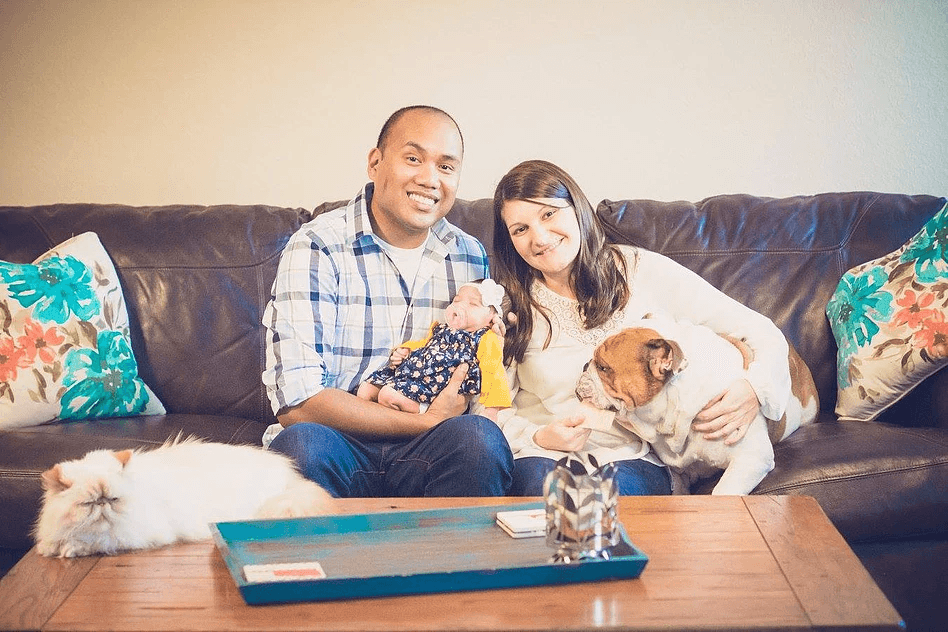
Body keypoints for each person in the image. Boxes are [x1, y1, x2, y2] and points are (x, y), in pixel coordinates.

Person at [491, 160, 793, 495]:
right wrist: (538, 436)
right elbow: (488, 409)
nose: (539, 237)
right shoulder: (509, 307)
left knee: (604, 498)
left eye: (548, 214)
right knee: (549, 492)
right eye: (520, 229)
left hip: (634, 458)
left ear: (576, 209)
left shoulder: (640, 270)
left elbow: (760, 331)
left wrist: (755, 389)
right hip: (541, 455)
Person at [262, 106, 513, 498]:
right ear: (375, 163)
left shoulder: (468, 254)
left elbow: (480, 362)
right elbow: (298, 402)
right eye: (413, 159)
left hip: (431, 447)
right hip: (338, 440)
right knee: (301, 448)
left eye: (446, 167)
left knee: (480, 440)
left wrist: (501, 337)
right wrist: (426, 421)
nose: (430, 179)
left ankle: (454, 543)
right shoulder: (318, 245)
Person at [357, 278, 512, 422]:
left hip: (435, 388)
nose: (460, 306)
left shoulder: (485, 338)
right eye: (456, 300)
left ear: (493, 319)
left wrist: (492, 410)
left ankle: (423, 409)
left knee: (387, 396)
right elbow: (425, 344)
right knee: (365, 391)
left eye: (473, 304)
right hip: (411, 375)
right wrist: (405, 350)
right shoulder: (441, 328)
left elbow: (494, 371)